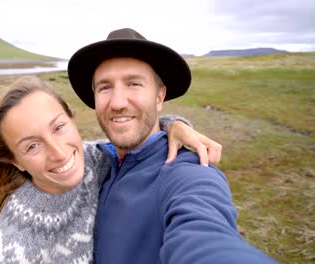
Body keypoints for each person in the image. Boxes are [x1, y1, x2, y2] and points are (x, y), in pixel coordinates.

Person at [67, 28, 276, 263]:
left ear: (159, 97)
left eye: (134, 84)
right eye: (105, 87)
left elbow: (207, 238)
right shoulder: (89, 163)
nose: (117, 103)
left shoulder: (188, 173)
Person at [0, 76, 222, 263]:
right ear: (15, 161)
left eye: (58, 127)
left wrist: (173, 125)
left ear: (71, 119)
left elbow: (138, 140)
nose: (59, 154)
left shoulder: (95, 158)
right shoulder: (8, 249)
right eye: (33, 146)